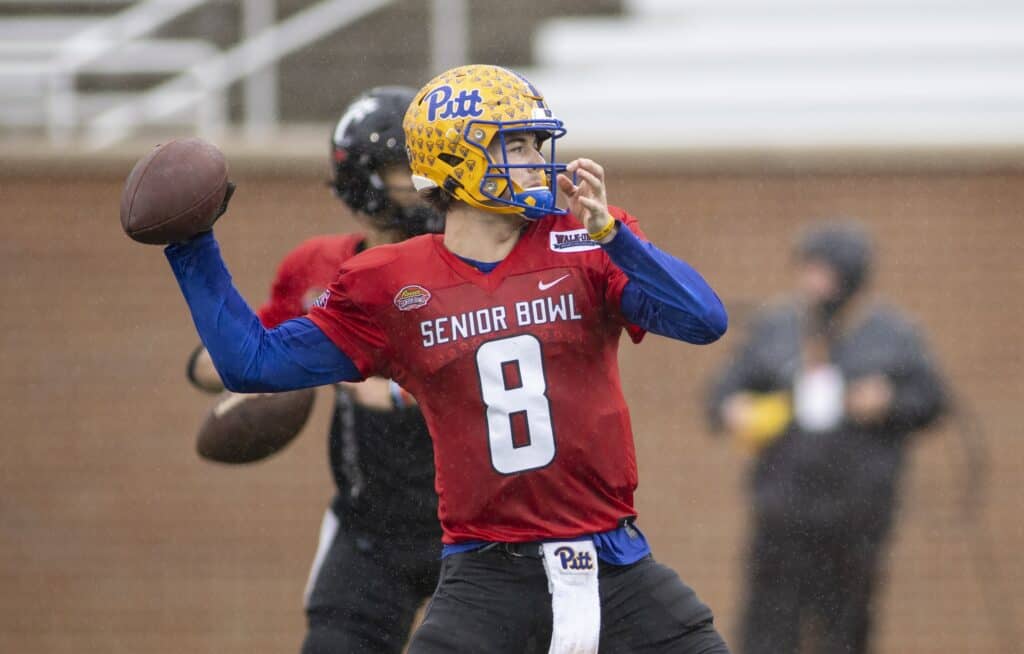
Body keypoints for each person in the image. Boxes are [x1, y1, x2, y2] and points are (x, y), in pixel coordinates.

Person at [162, 64, 731, 653]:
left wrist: (615, 236)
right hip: (487, 575)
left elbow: (703, 319)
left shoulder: (585, 239)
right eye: (517, 143)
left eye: (538, 143)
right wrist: (191, 246)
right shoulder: (391, 282)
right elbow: (253, 365)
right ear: (460, 159)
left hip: (615, 563)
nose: (538, 159)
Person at [185, 87, 444, 653]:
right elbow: (261, 343)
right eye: (408, 169)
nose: (424, 182)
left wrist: (392, 391)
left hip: (476, 524)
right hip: (371, 524)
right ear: (364, 181)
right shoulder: (318, 268)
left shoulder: (456, 262)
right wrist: (214, 367)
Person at [706, 222, 948, 654]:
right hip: (783, 510)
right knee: (768, 626)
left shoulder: (892, 335)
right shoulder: (777, 328)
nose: (810, 280)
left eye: (821, 269)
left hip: (857, 512)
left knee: (846, 627)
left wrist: (887, 399)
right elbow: (722, 394)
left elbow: (932, 400)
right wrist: (734, 410)